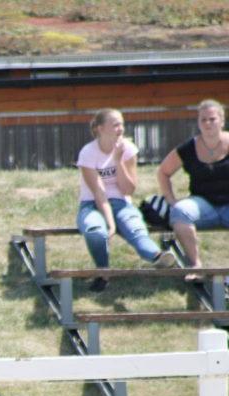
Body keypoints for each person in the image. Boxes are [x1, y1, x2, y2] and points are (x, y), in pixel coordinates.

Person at [76, 108, 176, 292]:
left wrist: (118, 160)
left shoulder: (128, 149)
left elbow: (128, 189)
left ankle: (157, 256)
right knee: (95, 231)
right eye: (115, 125)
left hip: (121, 202)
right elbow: (98, 193)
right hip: (92, 204)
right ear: (100, 128)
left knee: (135, 227)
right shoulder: (88, 152)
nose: (120, 129)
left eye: (122, 124)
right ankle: (103, 273)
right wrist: (111, 224)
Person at [157, 99, 229, 279]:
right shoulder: (188, 148)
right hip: (203, 204)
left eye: (212, 119)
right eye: (203, 119)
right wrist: (171, 200)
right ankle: (196, 266)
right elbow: (163, 172)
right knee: (180, 211)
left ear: (222, 120)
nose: (208, 123)